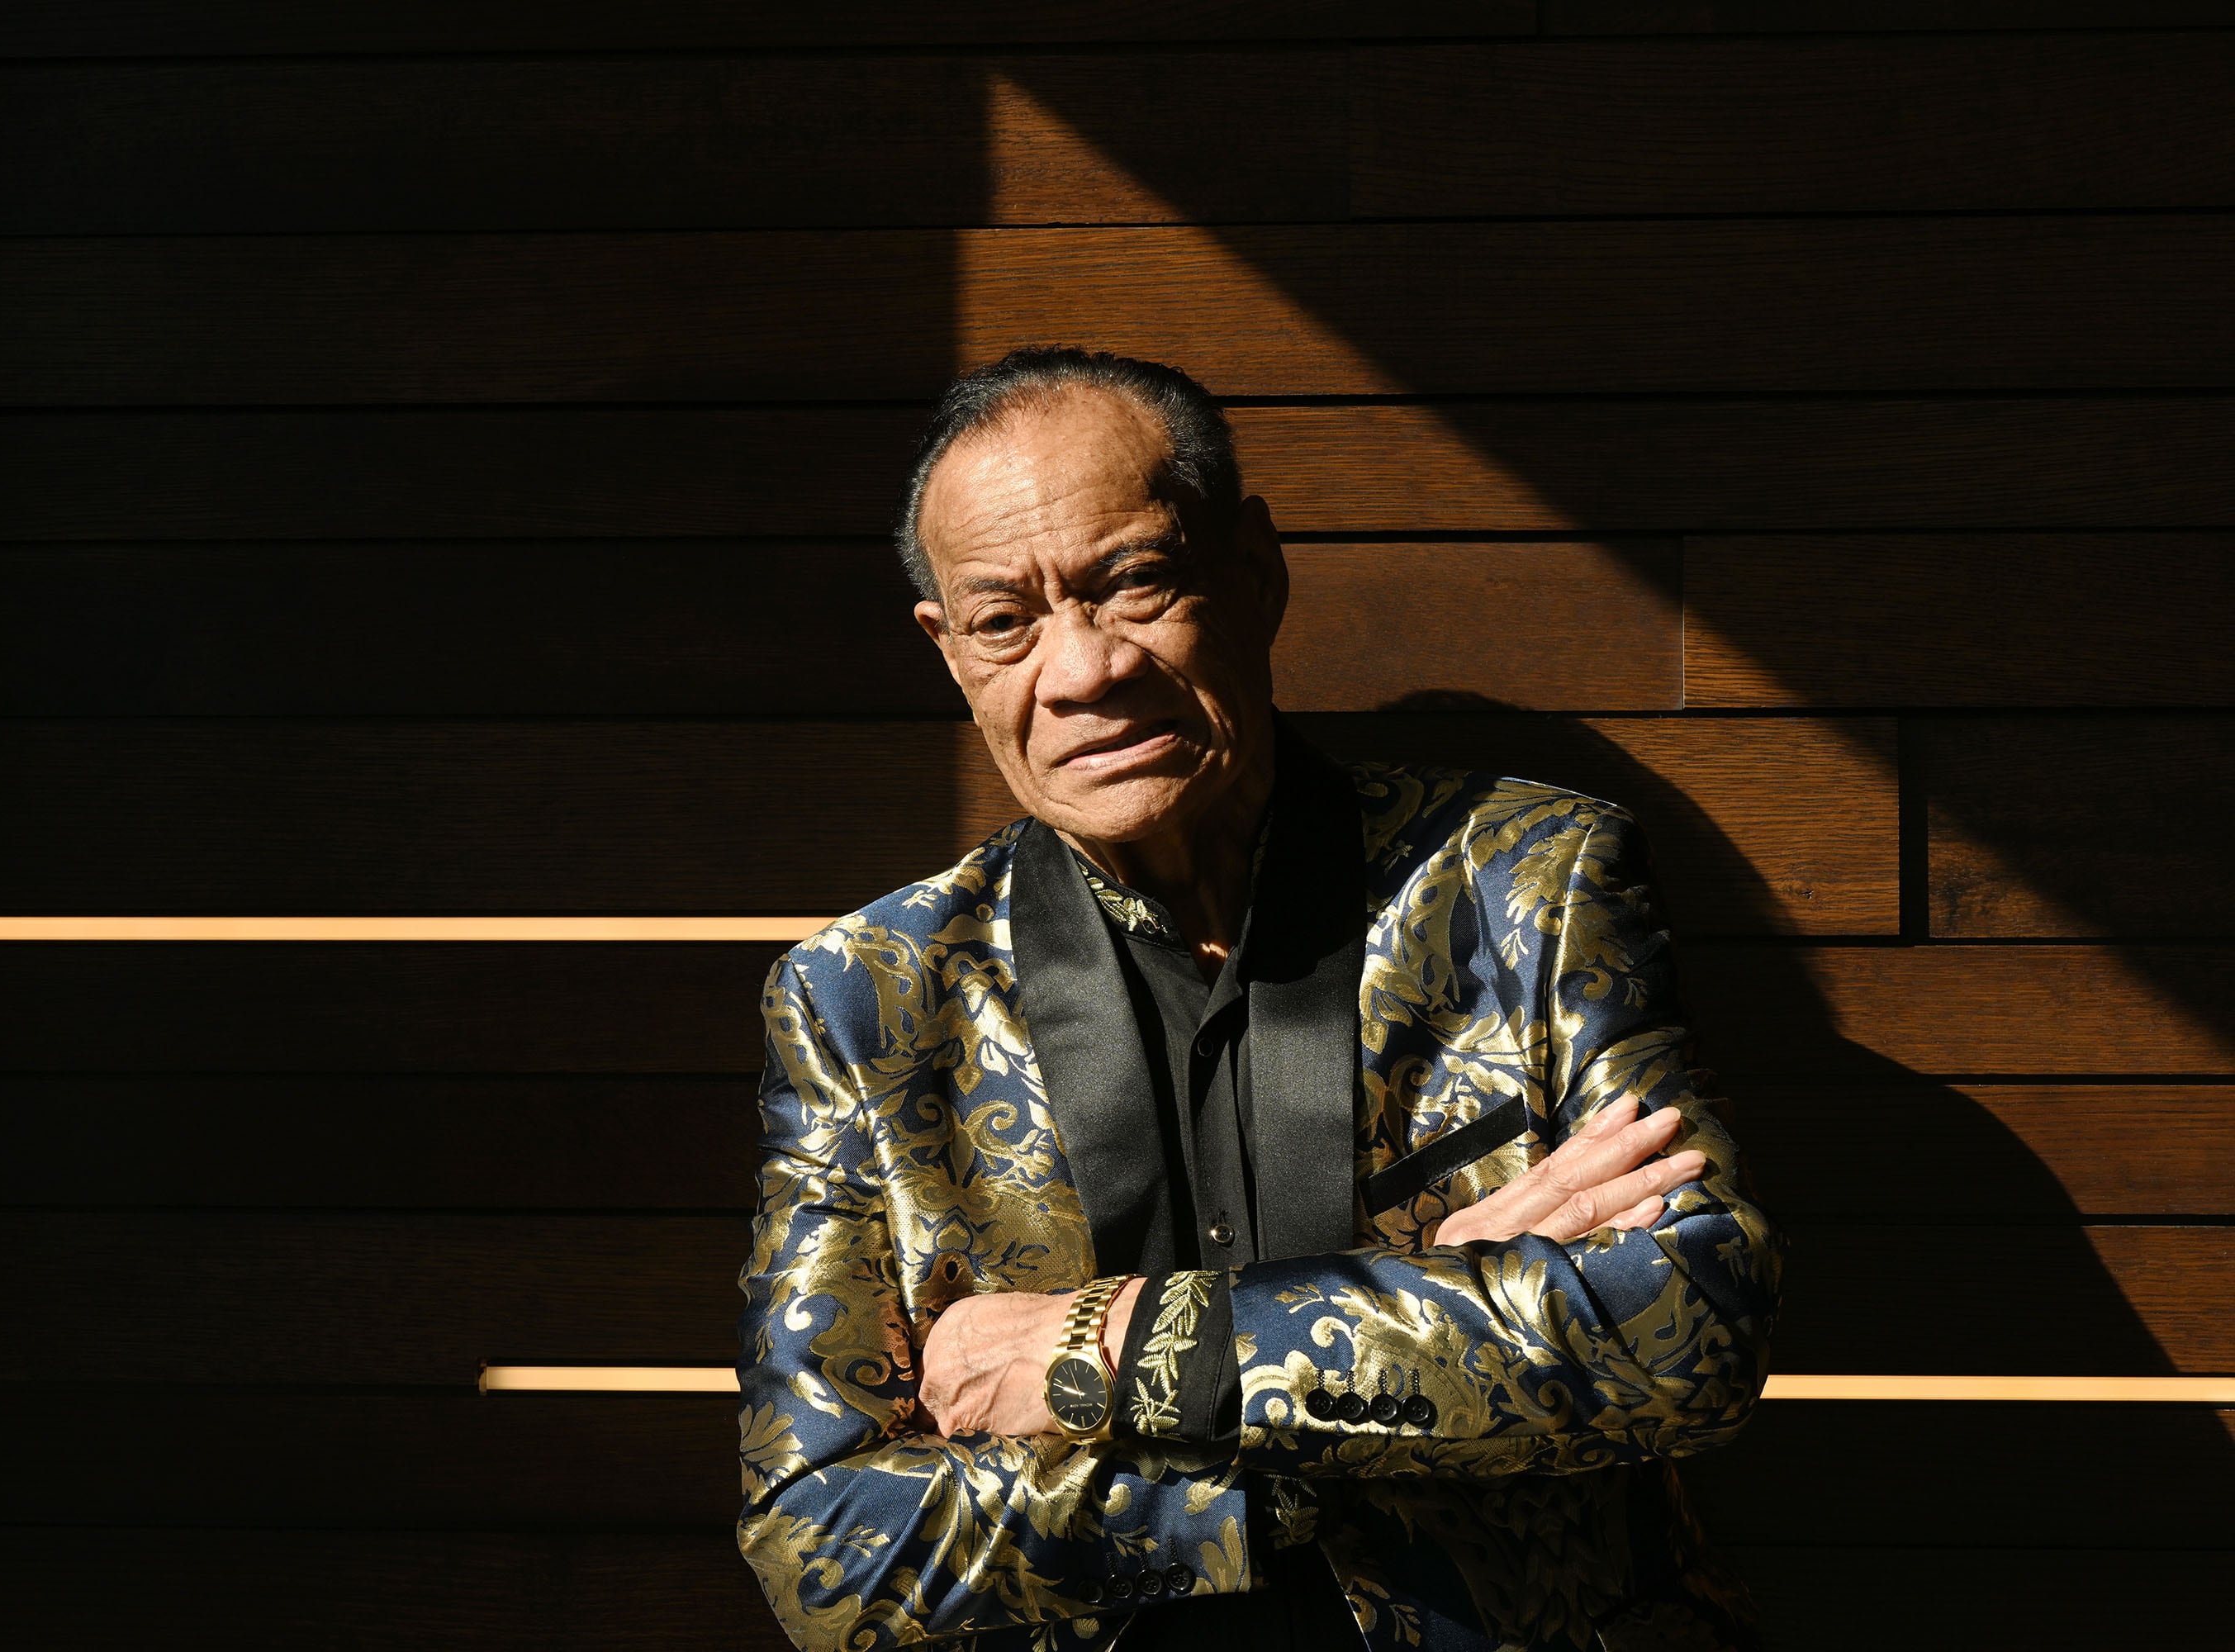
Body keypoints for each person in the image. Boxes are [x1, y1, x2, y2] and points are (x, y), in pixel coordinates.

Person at [734, 347, 1781, 1651]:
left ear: (1255, 571)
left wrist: (1106, 1348)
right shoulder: (862, 996)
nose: (1080, 671)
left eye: (1133, 584)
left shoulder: (1529, 877)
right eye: (1005, 621)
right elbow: (825, 1544)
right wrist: (1392, 1351)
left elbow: (1689, 1330)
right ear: (949, 653)